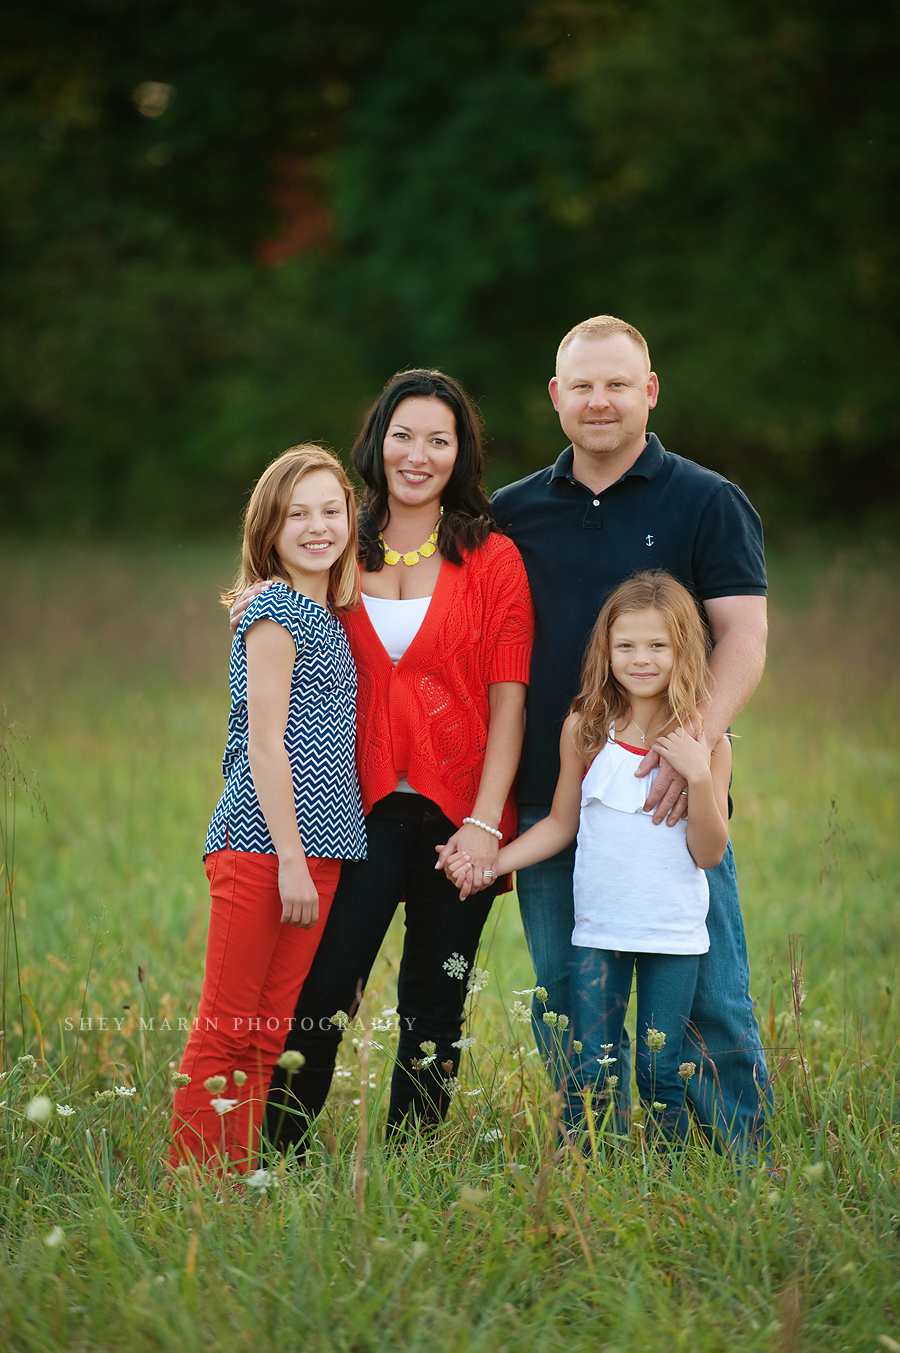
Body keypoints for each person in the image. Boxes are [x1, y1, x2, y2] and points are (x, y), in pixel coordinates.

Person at [487, 314, 771, 1151]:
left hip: (672, 794)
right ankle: (596, 1157)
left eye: (617, 383)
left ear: (649, 391)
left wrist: (691, 752)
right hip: (555, 789)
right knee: (569, 993)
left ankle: (731, 1161)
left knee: (708, 988)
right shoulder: (512, 513)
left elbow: (744, 638)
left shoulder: (707, 500)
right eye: (582, 385)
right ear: (555, 397)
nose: (599, 400)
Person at [261, 370, 533, 1147]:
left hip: (463, 813)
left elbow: (508, 699)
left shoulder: (494, 560)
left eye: (438, 440)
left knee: (434, 1001)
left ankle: (411, 1164)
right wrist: (256, 595)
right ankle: (279, 1156)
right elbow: (281, 598)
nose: (418, 454)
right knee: (323, 987)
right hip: (359, 808)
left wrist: (486, 822)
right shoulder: (342, 543)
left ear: (461, 454)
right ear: (377, 441)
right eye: (403, 435)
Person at [449, 571, 731, 1143]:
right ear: (606, 650)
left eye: (658, 646)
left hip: (672, 935)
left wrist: (700, 778)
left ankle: (667, 1181)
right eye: (626, 645)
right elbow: (559, 823)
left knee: (660, 1069)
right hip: (598, 929)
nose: (641, 659)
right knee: (590, 1063)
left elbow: (708, 852)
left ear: (685, 650)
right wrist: (493, 863)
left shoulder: (704, 740)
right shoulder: (585, 727)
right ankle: (591, 1172)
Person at [170, 446, 366, 1174]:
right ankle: (194, 1185)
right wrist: (288, 859)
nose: (318, 527)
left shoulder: (330, 613)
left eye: (331, 510)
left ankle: (236, 1175)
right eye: (298, 514)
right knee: (225, 1029)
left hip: (323, 850)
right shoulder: (277, 611)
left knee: (267, 1032)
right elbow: (265, 747)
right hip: (263, 846)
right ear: (270, 528)